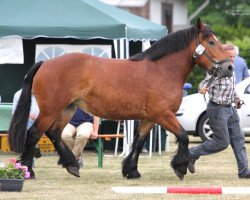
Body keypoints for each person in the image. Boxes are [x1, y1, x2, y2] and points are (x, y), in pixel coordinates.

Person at [188, 44, 250, 179]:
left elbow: (231, 90)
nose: (232, 59)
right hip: (217, 109)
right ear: (223, 55)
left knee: (239, 139)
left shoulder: (231, 70)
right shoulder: (216, 70)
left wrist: (237, 99)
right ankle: (192, 153)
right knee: (222, 142)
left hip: (230, 108)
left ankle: (244, 171)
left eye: (234, 56)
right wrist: (202, 89)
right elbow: (203, 85)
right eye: (230, 56)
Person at [12, 89, 42, 163]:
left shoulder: (40, 93)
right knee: (28, 130)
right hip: (22, 122)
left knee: (29, 135)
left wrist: (38, 117)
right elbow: (15, 112)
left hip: (38, 123)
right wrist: (29, 116)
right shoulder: (18, 95)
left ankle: (29, 160)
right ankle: (35, 147)